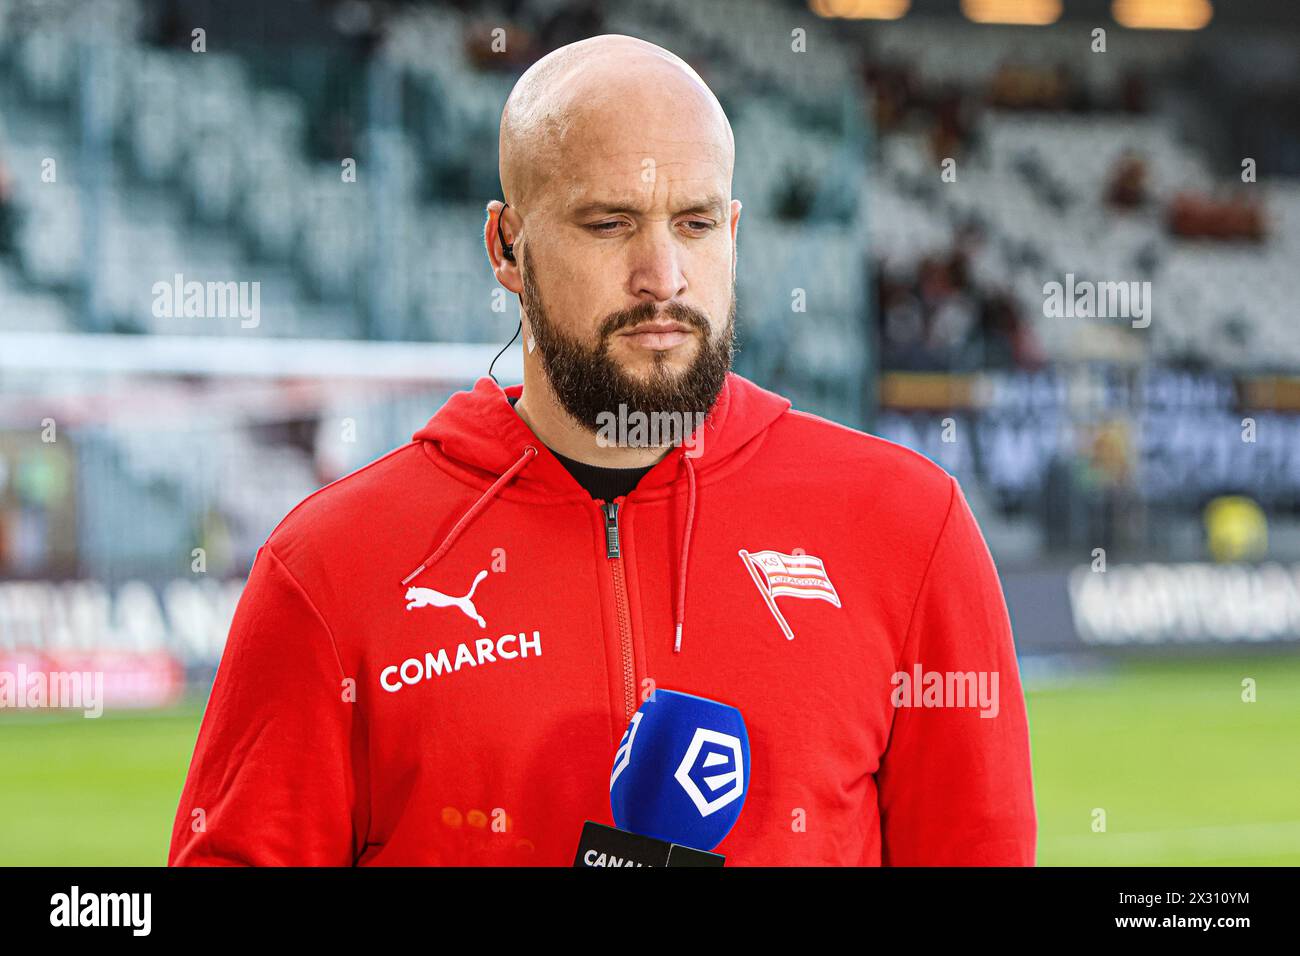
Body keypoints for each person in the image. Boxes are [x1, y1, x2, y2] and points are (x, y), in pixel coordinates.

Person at [169, 34, 1036, 866]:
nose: (663, 275)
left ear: (733, 231)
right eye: (610, 223)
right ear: (507, 247)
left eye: (694, 224)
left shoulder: (905, 527)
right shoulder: (332, 567)